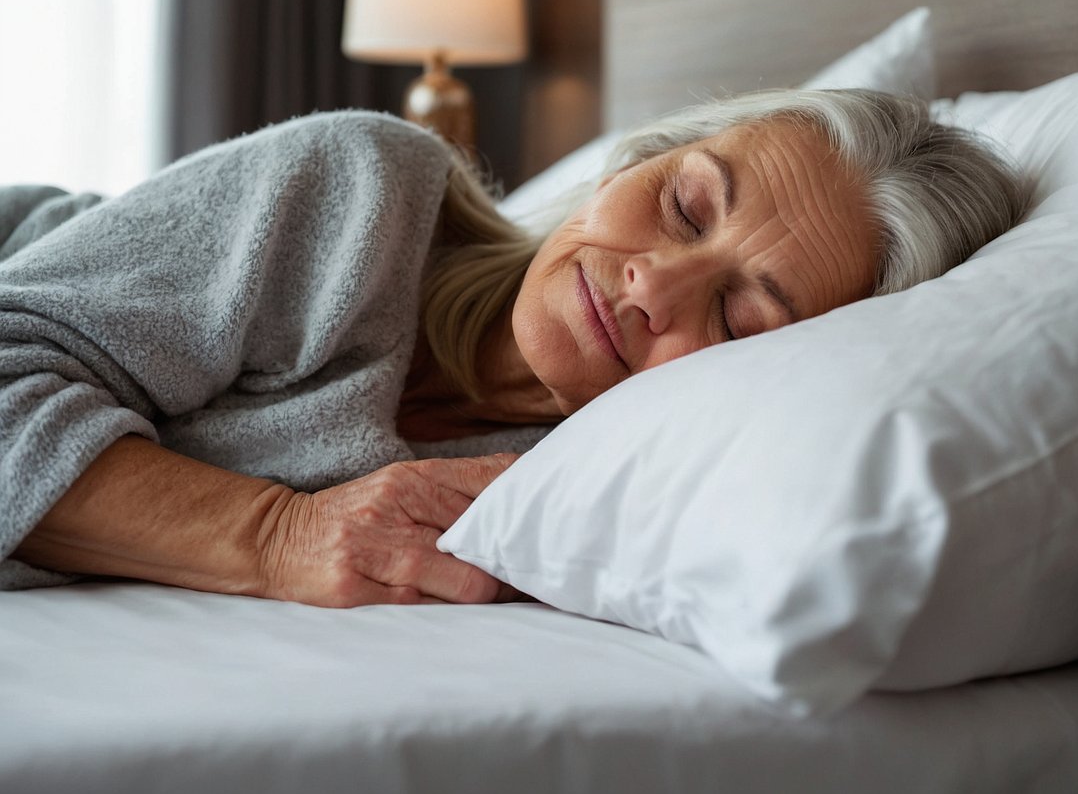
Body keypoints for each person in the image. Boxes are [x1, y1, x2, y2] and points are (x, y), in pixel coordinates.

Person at [0, 88, 1026, 606]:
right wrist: (278, 536)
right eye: (683, 203)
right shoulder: (358, 192)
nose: (652, 285)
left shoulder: (584, 496)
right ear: (641, 159)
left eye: (738, 319)